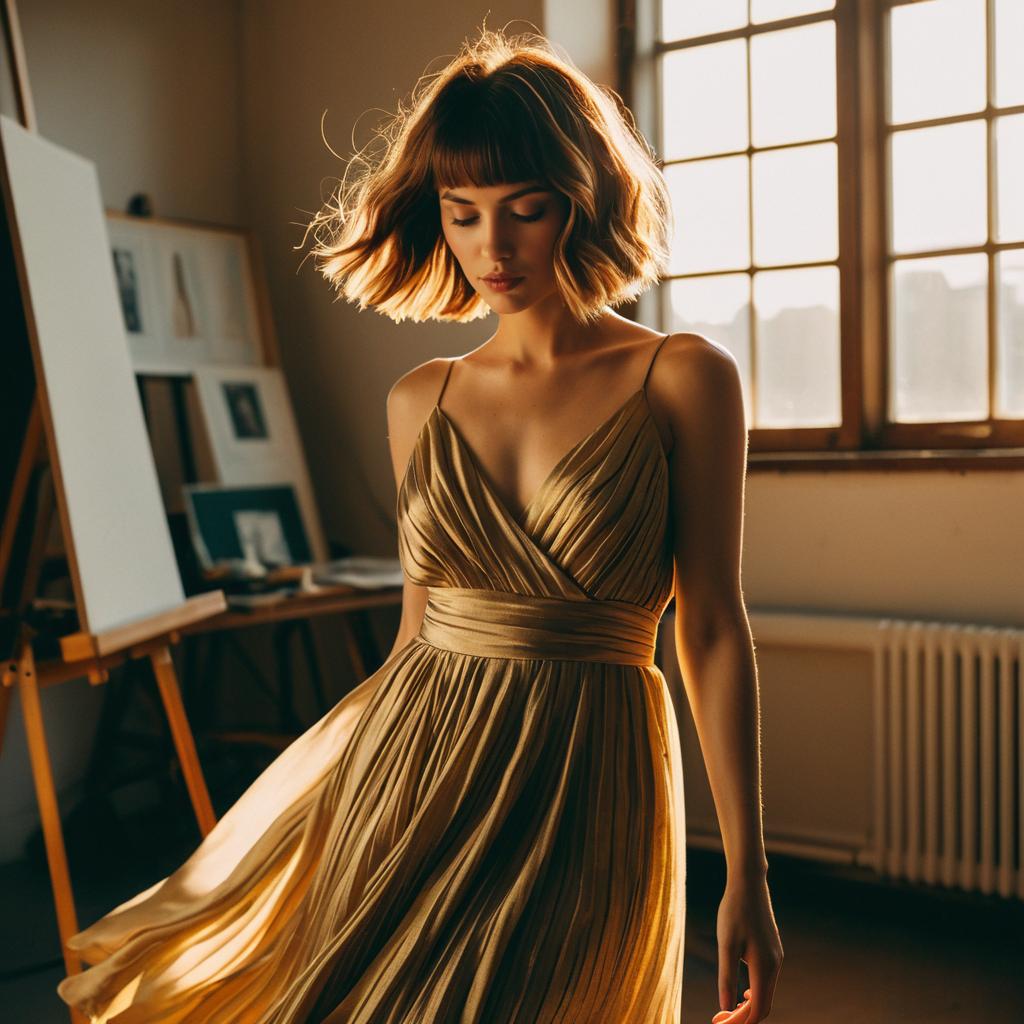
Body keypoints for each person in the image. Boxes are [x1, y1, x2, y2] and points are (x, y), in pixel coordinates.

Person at [57, 23, 783, 1024]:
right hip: (418, 762)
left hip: (589, 773)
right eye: (463, 213)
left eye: (525, 209)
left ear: (583, 202)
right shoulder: (420, 399)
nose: (493, 247)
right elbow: (418, 630)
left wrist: (747, 869)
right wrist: (337, 807)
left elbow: (710, 628)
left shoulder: (683, 377)